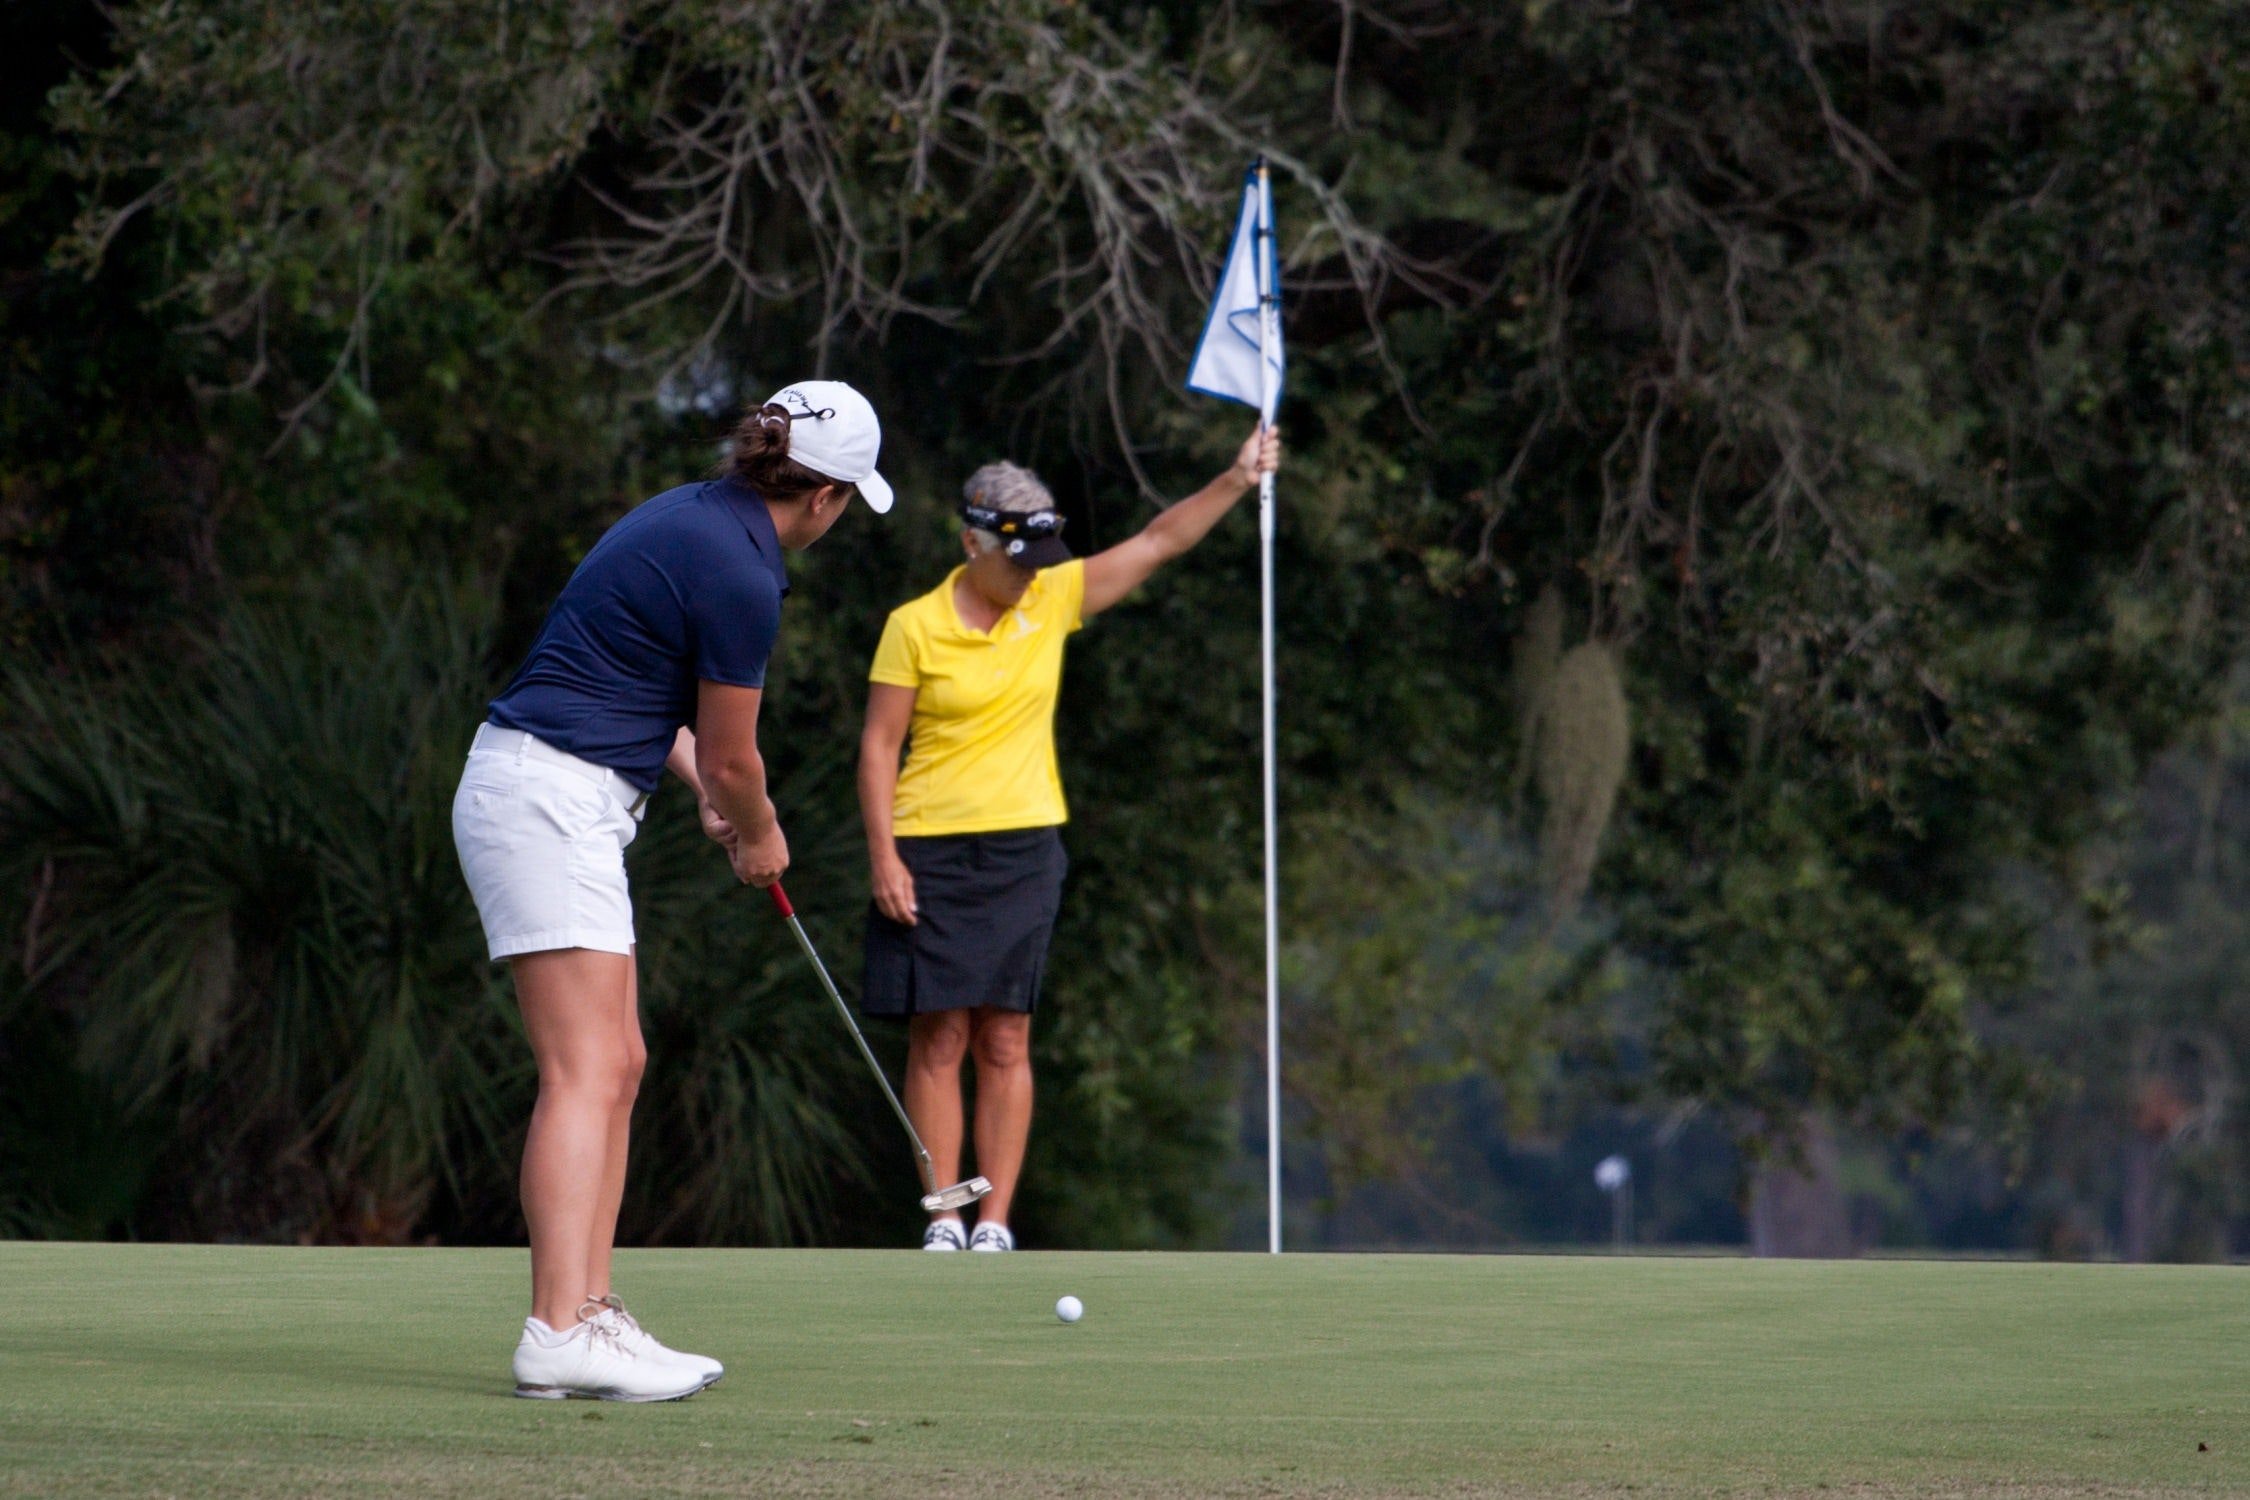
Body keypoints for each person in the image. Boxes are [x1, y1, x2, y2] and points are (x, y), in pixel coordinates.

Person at [452, 381, 893, 1401]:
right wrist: (758, 836)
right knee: (585, 1068)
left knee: (619, 1061)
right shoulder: (746, 571)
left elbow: (649, 696)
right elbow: (738, 756)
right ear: (824, 498)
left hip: (561, 792)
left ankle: (588, 1318)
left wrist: (701, 786)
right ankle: (558, 1327)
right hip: (546, 798)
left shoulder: (693, 514)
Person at [858, 423, 1281, 1252]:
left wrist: (1235, 478)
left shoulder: (1051, 602)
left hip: (1024, 847)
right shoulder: (913, 626)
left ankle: (995, 1222)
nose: (1027, 577)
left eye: (1036, 562)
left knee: (1006, 1034)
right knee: (939, 1034)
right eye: (1013, 560)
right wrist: (884, 857)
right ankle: (943, 1213)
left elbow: (1159, 541)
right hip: (928, 845)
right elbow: (878, 747)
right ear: (971, 541)